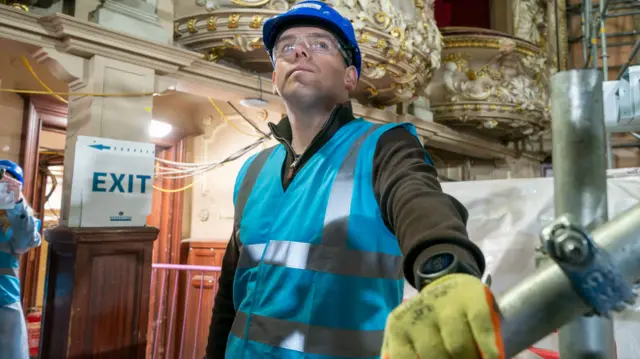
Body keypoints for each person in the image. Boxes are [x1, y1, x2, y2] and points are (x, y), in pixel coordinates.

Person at [205, 2, 504, 358]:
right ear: (274, 78)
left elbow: (420, 203)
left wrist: (447, 271)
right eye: (286, 47)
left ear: (350, 76)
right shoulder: (253, 171)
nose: (299, 50)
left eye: (320, 44)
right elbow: (229, 295)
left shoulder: (385, 147)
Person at [0, 160, 41, 359]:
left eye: (10, 184)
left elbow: (23, 243)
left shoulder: (26, 219)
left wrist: (17, 205)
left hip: (4, 299)